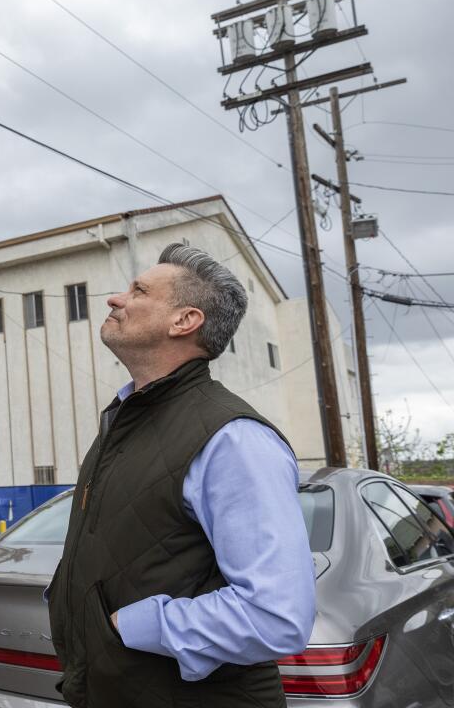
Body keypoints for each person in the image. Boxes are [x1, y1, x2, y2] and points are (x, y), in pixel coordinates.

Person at [46, 243, 314, 708]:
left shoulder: (233, 439)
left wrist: (127, 627)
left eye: (138, 290)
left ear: (184, 321)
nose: (115, 299)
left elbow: (277, 616)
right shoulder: (125, 421)